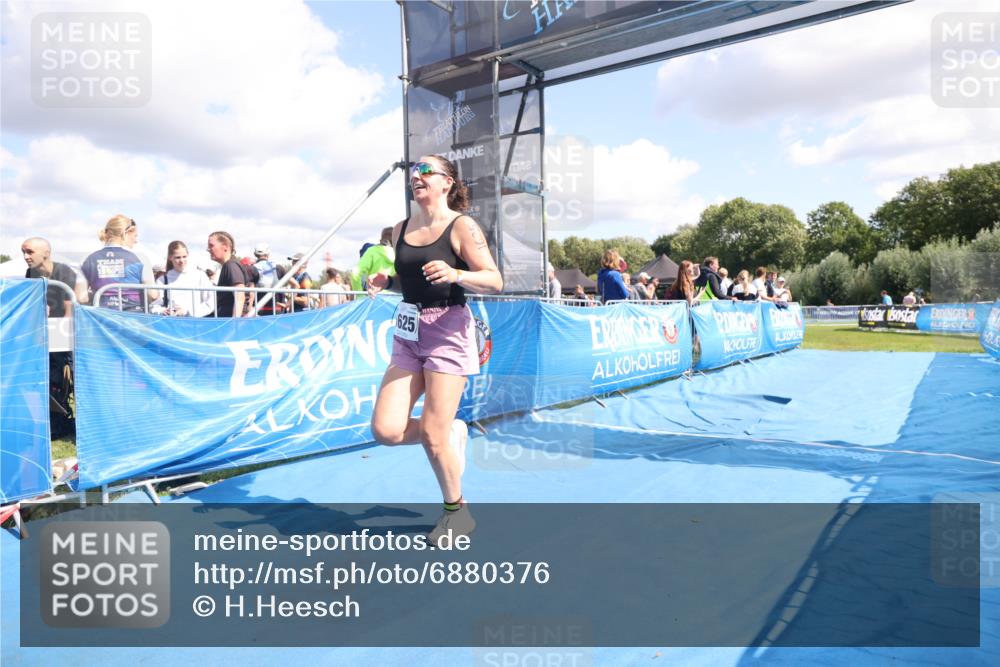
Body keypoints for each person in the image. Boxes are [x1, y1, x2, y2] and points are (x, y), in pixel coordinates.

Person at [367, 155, 503, 546]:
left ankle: (456, 512)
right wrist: (386, 280)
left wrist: (456, 273)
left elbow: (494, 280)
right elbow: (407, 282)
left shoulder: (462, 226)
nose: (417, 177)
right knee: (386, 430)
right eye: (414, 173)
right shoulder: (400, 228)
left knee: (430, 434)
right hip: (408, 332)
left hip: (449, 330)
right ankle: (451, 433)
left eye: (426, 171)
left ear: (447, 182)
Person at [81, 215, 158, 311]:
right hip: (134, 319)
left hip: (101, 319)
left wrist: (99, 297)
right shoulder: (141, 258)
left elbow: (81, 297)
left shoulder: (89, 259)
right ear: (125, 233)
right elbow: (153, 294)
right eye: (135, 236)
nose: (136, 240)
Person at [21, 237, 86, 316]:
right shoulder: (30, 273)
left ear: (46, 253)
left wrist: (61, 327)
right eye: (23, 252)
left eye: (30, 252)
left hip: (63, 323)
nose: (25, 257)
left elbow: (70, 312)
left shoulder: (63, 271)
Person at [153, 241, 214, 317]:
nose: (181, 261)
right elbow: (155, 305)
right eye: (177, 257)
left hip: (196, 324)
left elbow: (210, 302)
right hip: (171, 324)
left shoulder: (200, 275)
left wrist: (188, 312)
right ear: (170, 257)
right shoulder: (162, 280)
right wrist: (164, 311)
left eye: (184, 256)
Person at [207, 231, 245, 317]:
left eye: (211, 246)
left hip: (230, 322)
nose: (208, 249)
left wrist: (235, 324)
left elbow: (240, 296)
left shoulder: (231, 265)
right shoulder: (228, 265)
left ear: (225, 247)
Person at [352, 227, 397, 292]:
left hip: (376, 297)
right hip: (397, 298)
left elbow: (355, 272)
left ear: (381, 240)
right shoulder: (401, 253)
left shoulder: (372, 251)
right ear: (395, 239)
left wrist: (359, 295)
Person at [252, 242, 287, 315]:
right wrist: (288, 304)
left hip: (259, 309)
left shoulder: (252, 268)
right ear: (268, 254)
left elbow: (250, 290)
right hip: (277, 309)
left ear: (255, 254)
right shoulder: (278, 268)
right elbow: (296, 285)